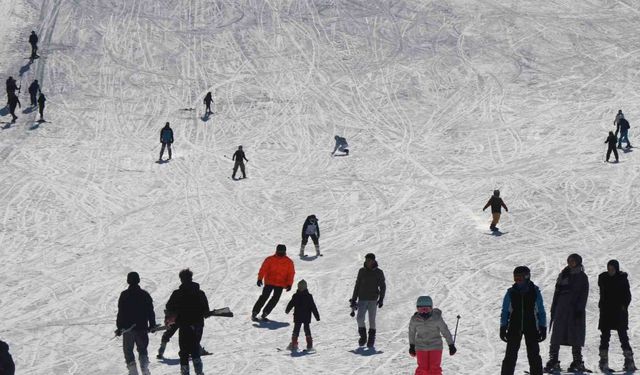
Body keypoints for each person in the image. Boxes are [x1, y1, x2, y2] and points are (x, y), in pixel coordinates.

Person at [544, 254, 589, 373]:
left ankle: (577, 361)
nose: (571, 262)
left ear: (578, 262)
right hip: (562, 309)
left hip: (575, 310)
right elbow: (557, 292)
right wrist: (554, 307)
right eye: (569, 260)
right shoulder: (563, 274)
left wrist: (580, 308)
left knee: (575, 334)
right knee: (557, 333)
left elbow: (584, 294)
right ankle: (553, 359)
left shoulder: (582, 276)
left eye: (573, 261)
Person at [500, 266, 546, 375]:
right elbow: (505, 311)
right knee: (510, 355)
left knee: (534, 355)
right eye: (515, 278)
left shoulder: (534, 292)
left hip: (531, 326)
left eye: (520, 278)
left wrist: (542, 327)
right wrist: (503, 326)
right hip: (514, 327)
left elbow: (541, 311)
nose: (517, 281)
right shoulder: (511, 292)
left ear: (527, 277)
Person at [166, 269, 209, 375]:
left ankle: (185, 372)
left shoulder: (177, 294)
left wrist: (174, 314)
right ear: (191, 278)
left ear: (181, 280)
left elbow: (169, 307)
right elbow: (206, 311)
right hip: (198, 326)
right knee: (195, 349)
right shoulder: (200, 293)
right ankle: (199, 372)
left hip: (184, 326)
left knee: (184, 352)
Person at [598, 260, 636, 372]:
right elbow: (603, 294)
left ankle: (629, 361)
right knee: (605, 337)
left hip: (619, 312)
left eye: (612, 269)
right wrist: (602, 306)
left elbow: (627, 295)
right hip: (606, 312)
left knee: (623, 336)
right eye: (609, 269)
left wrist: (624, 306)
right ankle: (603, 362)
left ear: (616, 268)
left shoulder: (622, 279)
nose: (610, 271)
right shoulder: (603, 278)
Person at [116, 272, 157, 375]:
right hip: (141, 328)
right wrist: (152, 325)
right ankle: (144, 368)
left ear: (128, 281)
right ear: (138, 280)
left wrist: (119, 327)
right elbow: (150, 311)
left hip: (128, 329)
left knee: (128, 351)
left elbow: (121, 312)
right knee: (142, 350)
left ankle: (133, 371)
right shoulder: (145, 295)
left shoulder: (124, 295)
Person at [408, 296, 456, 375]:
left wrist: (451, 345)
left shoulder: (436, 318)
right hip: (421, 347)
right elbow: (411, 332)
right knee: (422, 369)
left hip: (435, 346)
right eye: (421, 310)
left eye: (426, 309)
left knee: (434, 369)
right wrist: (412, 346)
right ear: (417, 309)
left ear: (431, 308)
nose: (424, 312)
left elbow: (445, 331)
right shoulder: (414, 319)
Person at [350, 253, 386, 348]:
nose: (368, 262)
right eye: (366, 260)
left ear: (373, 261)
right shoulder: (361, 271)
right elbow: (357, 285)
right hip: (362, 298)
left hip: (373, 299)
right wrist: (354, 299)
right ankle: (363, 336)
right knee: (359, 318)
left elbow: (382, 286)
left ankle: (371, 339)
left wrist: (381, 299)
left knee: (372, 320)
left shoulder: (378, 272)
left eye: (369, 260)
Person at [252, 244, 295, 321]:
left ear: (285, 251)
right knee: (264, 297)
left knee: (275, 299)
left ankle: (265, 313)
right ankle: (255, 312)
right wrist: (259, 279)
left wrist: (289, 284)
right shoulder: (270, 259)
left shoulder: (289, 262)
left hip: (280, 284)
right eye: (279, 251)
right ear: (276, 251)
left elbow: (291, 274)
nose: (281, 253)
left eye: (282, 251)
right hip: (269, 282)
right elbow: (263, 269)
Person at [285, 279, 320, 352]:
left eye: (301, 287)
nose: (300, 288)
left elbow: (291, 304)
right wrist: (317, 316)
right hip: (306, 317)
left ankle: (295, 344)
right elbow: (313, 307)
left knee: (297, 330)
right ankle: (309, 345)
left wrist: (287, 310)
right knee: (305, 329)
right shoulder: (308, 296)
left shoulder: (296, 296)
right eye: (299, 287)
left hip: (298, 316)